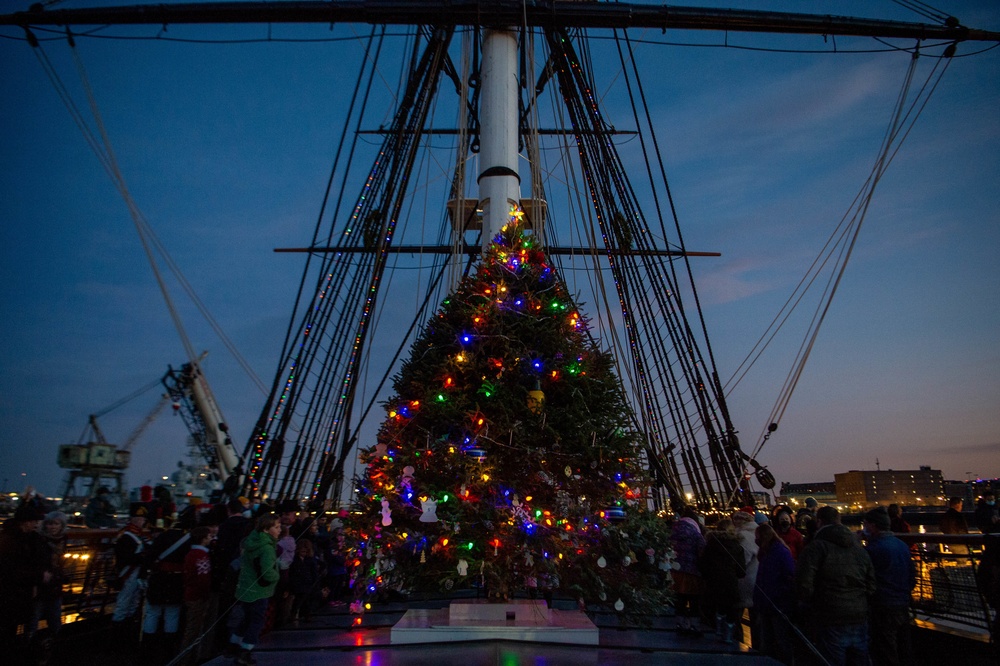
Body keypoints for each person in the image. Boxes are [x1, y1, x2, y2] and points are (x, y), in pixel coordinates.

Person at [795, 505, 875, 666]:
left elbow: (804, 584)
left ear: (819, 522)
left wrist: (811, 604)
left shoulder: (816, 548)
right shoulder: (858, 548)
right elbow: (871, 583)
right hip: (859, 614)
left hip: (830, 615)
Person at [863, 506, 915, 666]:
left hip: (883, 605)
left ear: (873, 526)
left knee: (886, 649)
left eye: (865, 524)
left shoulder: (872, 550)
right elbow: (912, 577)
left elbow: (866, 578)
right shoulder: (902, 546)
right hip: (902, 603)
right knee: (904, 646)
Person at [227, 514, 281, 666]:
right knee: (256, 621)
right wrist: (276, 576)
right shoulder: (267, 548)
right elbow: (267, 572)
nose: (279, 530)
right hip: (259, 590)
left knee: (246, 619)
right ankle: (246, 651)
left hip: (246, 588)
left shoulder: (251, 542)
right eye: (276, 527)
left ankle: (234, 645)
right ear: (266, 529)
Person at [0, 503, 49, 663]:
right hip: (13, 594)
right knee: (10, 628)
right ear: (25, 522)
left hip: (17, 593)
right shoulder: (12, 541)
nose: (37, 524)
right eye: (34, 521)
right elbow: (11, 571)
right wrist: (39, 576)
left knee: (11, 628)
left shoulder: (17, 539)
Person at [142, 519, 191, 659]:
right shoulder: (188, 540)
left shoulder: (162, 537)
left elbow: (150, 556)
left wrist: (142, 575)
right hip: (176, 580)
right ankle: (168, 649)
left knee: (152, 613)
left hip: (159, 579)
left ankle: (147, 647)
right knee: (172, 614)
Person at [753, 522, 796, 665]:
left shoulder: (778, 552)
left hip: (776, 603)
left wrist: (780, 595)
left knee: (780, 640)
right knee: (768, 640)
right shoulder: (769, 552)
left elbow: (789, 577)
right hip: (767, 602)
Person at [699, 518, 746, 644]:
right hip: (730, 584)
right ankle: (729, 636)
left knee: (717, 608)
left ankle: (718, 630)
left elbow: (703, 565)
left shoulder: (711, 545)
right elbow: (741, 571)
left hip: (713, 584)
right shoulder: (737, 547)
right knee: (731, 611)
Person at [34, 511, 69, 651]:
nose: (52, 527)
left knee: (55, 617)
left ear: (61, 526)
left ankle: (54, 646)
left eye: (55, 524)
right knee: (35, 616)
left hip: (55, 583)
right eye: (49, 523)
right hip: (41, 583)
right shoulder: (39, 540)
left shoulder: (62, 540)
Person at [179, 526, 214, 666]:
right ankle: (185, 659)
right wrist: (205, 595)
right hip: (198, 596)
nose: (211, 538)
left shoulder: (191, 554)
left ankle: (187, 658)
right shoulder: (201, 556)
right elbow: (203, 578)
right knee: (193, 629)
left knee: (192, 628)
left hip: (191, 593)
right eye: (209, 536)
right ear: (203, 539)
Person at [670, 505, 706, 635]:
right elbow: (702, 552)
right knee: (694, 600)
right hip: (692, 572)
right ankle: (694, 626)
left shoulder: (673, 532)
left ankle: (680, 623)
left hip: (676, 572)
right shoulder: (696, 535)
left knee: (680, 599)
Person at [731, 510, 759, 645]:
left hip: (744, 581)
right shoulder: (756, 533)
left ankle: (738, 643)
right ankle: (758, 645)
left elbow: (742, 559)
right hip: (755, 579)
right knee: (756, 620)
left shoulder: (742, 536)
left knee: (735, 616)